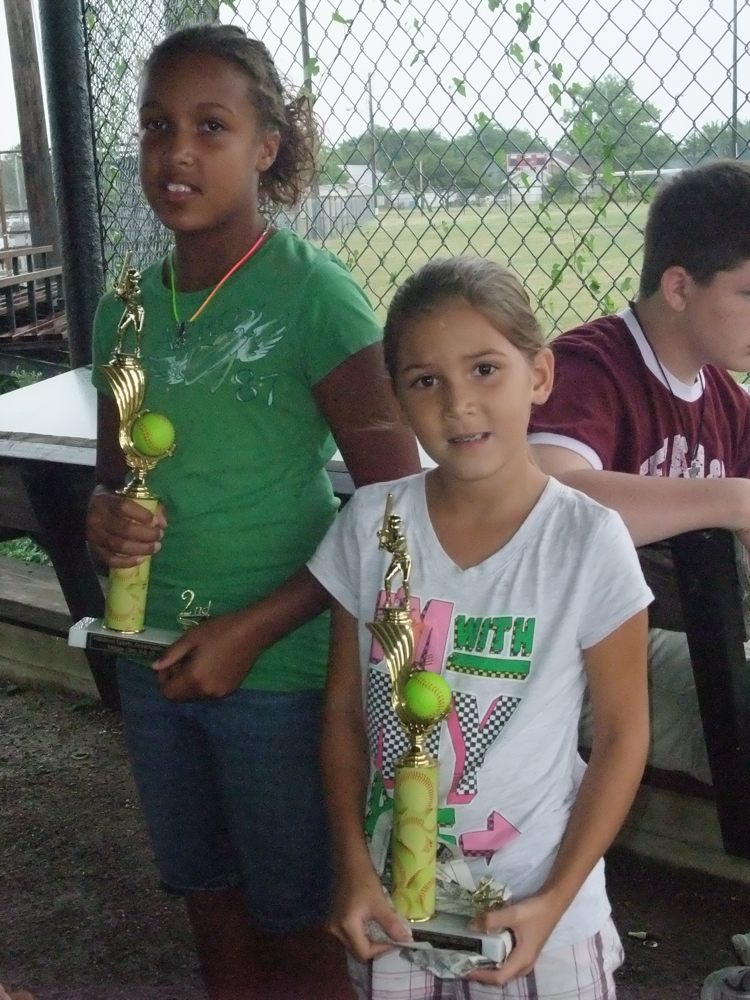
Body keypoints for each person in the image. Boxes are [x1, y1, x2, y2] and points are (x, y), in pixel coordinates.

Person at [85, 23, 419, 1000]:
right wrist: (105, 518)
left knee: (299, 922)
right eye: (157, 126)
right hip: (153, 657)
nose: (177, 153)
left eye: (211, 126)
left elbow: (395, 510)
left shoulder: (314, 295)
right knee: (209, 899)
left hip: (281, 673)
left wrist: (254, 628)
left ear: (266, 146)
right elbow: (113, 478)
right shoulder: (124, 309)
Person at [309, 257, 652, 999]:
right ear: (398, 399)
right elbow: (343, 714)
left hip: (542, 913)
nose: (459, 404)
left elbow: (625, 736)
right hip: (395, 905)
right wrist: (354, 869)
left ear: (540, 374)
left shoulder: (588, 541)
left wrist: (556, 899)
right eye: (425, 381)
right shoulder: (370, 524)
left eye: (485, 369)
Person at [528, 159, 750, 784]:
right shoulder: (590, 369)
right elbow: (551, 499)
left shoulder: (723, 397)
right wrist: (729, 501)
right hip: (567, 657)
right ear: (679, 288)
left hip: (678, 639)